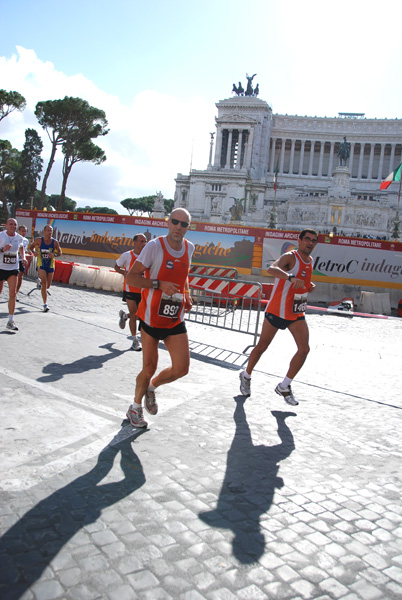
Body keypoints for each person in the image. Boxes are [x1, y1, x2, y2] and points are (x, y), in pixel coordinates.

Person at [125, 208, 194, 428]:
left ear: (188, 227)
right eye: (175, 222)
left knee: (181, 368)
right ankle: (135, 408)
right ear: (168, 222)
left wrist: (188, 295)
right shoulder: (155, 247)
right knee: (148, 368)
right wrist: (158, 284)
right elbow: (132, 278)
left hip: (174, 318)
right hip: (151, 318)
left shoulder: (189, 248)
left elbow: (184, 277)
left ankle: (152, 388)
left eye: (183, 224)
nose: (178, 227)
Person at [239, 229, 318, 406]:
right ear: (299, 240)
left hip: (296, 313)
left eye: (313, 241)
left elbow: (302, 283)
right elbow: (272, 269)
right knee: (261, 347)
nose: (310, 243)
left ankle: (285, 385)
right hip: (276, 311)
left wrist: (309, 287)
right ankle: (246, 375)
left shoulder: (310, 261)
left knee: (304, 349)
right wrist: (289, 277)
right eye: (307, 239)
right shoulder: (291, 257)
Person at [114, 233, 147, 350]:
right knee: (134, 314)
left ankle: (124, 316)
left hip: (144, 290)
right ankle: (135, 341)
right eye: (141, 241)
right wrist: (124, 272)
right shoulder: (127, 255)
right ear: (135, 242)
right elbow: (116, 266)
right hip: (130, 289)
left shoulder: (148, 257)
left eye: (145, 241)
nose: (144, 244)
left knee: (141, 315)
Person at [0, 218, 27, 331]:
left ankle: (10, 320)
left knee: (12, 293)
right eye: (11, 224)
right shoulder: (1, 236)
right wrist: (2, 249)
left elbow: (21, 248)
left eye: (15, 224)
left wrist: (23, 257)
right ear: (6, 225)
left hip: (13, 268)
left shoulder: (19, 238)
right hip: (0, 267)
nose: (13, 226)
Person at [30, 225, 62, 312]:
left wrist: (54, 255)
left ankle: (40, 283)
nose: (49, 232)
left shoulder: (55, 242)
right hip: (41, 263)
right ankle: (45, 304)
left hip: (50, 263)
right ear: (44, 231)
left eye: (51, 231)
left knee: (47, 285)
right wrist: (34, 252)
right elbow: (31, 247)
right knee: (44, 282)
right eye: (48, 230)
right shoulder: (39, 240)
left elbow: (60, 252)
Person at [16, 224, 33, 300]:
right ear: (18, 231)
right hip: (13, 259)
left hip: (21, 260)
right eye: (22, 231)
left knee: (20, 276)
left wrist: (27, 253)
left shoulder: (26, 240)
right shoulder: (15, 238)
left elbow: (23, 251)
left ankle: (15, 293)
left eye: (25, 231)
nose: (23, 232)